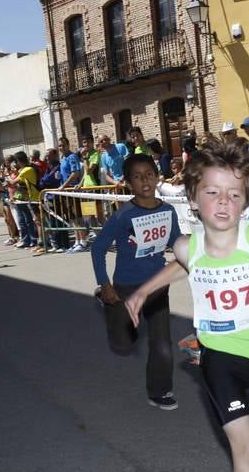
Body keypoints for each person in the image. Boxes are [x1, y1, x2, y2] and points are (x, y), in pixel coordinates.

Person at [125, 143, 249, 472]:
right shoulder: (187, 245)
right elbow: (183, 264)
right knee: (246, 443)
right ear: (192, 198)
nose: (224, 202)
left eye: (235, 194)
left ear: (247, 201)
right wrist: (144, 290)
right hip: (216, 353)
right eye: (213, 192)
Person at [91, 154, 182, 410]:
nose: (145, 180)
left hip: (156, 287)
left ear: (157, 176)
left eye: (149, 174)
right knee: (123, 343)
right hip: (125, 288)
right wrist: (106, 283)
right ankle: (105, 300)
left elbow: (177, 242)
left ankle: (159, 391)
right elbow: (98, 248)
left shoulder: (168, 210)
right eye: (137, 176)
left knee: (162, 342)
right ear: (129, 182)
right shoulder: (123, 215)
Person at [57, 137, 88, 253]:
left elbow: (74, 174)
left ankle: (84, 241)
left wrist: (64, 186)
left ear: (68, 145)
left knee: (78, 217)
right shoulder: (62, 158)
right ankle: (77, 241)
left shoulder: (72, 157)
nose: (61, 147)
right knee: (72, 218)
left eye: (63, 145)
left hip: (73, 190)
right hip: (65, 191)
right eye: (59, 145)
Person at [11, 151, 40, 249]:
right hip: (23, 198)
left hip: (32, 198)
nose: (15, 164)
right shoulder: (21, 170)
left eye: (16, 161)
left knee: (33, 221)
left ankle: (35, 241)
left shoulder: (27, 170)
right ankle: (26, 240)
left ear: (20, 160)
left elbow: (13, 182)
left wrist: (5, 180)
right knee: (22, 221)